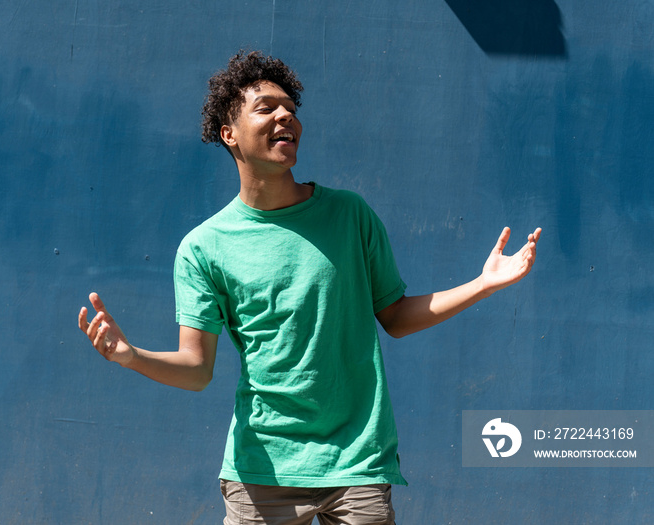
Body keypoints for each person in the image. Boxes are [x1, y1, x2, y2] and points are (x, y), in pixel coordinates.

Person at [78, 51, 541, 525]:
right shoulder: (204, 248)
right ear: (228, 133)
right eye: (266, 108)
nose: (285, 116)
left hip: (357, 462)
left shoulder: (349, 215)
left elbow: (397, 317)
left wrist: (483, 285)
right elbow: (197, 369)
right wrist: (130, 356)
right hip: (261, 472)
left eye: (291, 109)